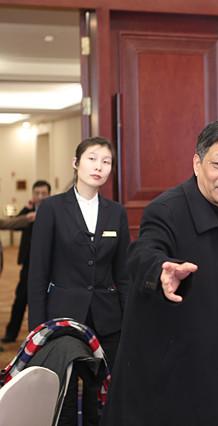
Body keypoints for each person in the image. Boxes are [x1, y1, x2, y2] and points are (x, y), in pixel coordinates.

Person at [101, 120, 218, 426]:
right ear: (197, 164)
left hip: (215, 361)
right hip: (168, 374)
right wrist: (161, 272)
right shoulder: (166, 209)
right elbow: (143, 252)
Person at [28, 137, 130, 426]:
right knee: (65, 398)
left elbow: (123, 274)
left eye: (106, 162)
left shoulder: (116, 212)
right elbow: (38, 273)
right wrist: (37, 330)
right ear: (76, 163)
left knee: (103, 398)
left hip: (108, 320)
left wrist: (128, 321)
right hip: (63, 319)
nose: (99, 167)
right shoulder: (51, 208)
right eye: (92, 159)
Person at [2, 180, 51, 343]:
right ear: (32, 195)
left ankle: (46, 335)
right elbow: (14, 224)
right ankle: (11, 333)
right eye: (37, 193)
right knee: (21, 298)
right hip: (28, 264)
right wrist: (26, 212)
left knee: (47, 300)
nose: (40, 196)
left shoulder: (53, 211)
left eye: (44, 193)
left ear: (49, 194)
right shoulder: (28, 212)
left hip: (48, 265)